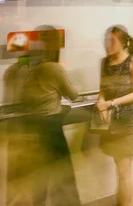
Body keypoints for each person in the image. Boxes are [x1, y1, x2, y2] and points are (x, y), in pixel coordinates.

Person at [19, 26, 81, 206]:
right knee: (64, 176)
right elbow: (73, 94)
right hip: (51, 129)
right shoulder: (53, 68)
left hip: (32, 128)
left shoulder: (29, 68)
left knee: (40, 180)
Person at [96, 26, 133, 206]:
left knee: (124, 171)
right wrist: (101, 105)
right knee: (120, 169)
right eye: (107, 40)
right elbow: (102, 90)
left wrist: (110, 103)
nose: (108, 44)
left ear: (123, 42)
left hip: (130, 123)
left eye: (112, 41)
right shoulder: (104, 63)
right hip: (112, 125)